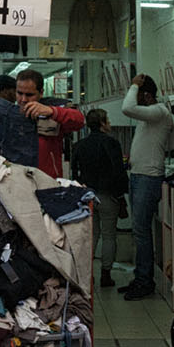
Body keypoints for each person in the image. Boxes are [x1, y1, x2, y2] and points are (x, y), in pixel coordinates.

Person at [119, 74, 174, 300]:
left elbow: (127, 108)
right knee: (139, 230)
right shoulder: (150, 117)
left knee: (142, 231)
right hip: (139, 176)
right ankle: (140, 277)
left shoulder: (159, 112)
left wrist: (134, 84)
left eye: (140, 96)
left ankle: (145, 281)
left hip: (148, 178)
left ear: (147, 96)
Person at [0, 70, 84, 178]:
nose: (23, 99)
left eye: (29, 95)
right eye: (19, 93)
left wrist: (52, 111)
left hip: (45, 181)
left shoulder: (52, 112)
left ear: (41, 93)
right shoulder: (2, 115)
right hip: (10, 180)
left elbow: (79, 121)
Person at [71, 109, 128, 287]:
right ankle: (105, 275)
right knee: (109, 235)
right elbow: (119, 171)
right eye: (108, 120)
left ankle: (87, 275)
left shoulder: (79, 145)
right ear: (102, 123)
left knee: (91, 236)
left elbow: (75, 172)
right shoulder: (112, 143)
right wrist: (121, 196)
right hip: (108, 195)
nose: (110, 123)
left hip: (87, 195)